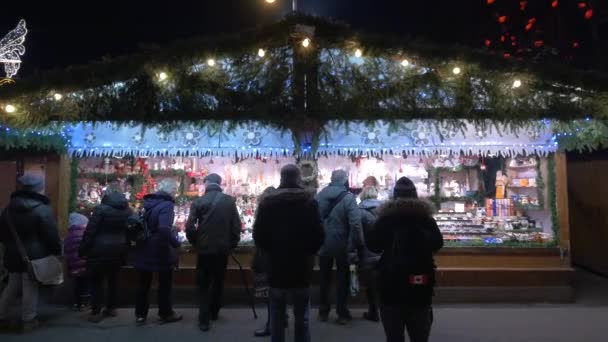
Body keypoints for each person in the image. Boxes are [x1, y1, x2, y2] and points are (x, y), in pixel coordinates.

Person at [253, 164, 325, 342]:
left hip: (276, 265)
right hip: (301, 266)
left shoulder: (268, 203)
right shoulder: (309, 202)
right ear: (299, 177)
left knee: (277, 315)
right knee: (302, 316)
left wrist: (270, 251)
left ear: (281, 178)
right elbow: (319, 234)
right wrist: (309, 252)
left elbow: (258, 235)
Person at [368, 177, 444, 342]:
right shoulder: (425, 219)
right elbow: (438, 243)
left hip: (391, 282)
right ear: (415, 195)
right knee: (420, 333)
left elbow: (373, 245)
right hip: (419, 282)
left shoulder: (385, 219)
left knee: (394, 334)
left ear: (394, 195)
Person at [0, 174, 61, 333]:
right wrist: (56, 251)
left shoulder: (8, 209)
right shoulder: (42, 209)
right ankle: (28, 319)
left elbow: (2, 233)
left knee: (12, 285)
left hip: (13, 253)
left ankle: (2, 315)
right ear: (39, 188)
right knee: (30, 286)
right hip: (35, 255)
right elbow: (50, 234)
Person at [185, 173, 241, 332]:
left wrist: (195, 242)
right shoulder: (229, 201)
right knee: (218, 281)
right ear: (220, 183)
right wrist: (232, 244)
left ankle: (203, 319)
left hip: (204, 250)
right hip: (222, 249)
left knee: (203, 283)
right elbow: (236, 226)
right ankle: (214, 312)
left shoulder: (198, 201)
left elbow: (190, 227)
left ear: (207, 183)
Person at [79, 183, 132, 323]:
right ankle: (111, 308)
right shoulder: (127, 210)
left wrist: (83, 249)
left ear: (106, 194)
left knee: (96, 281)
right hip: (118, 250)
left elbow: (90, 231)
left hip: (98, 249)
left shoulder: (100, 209)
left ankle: (96, 311)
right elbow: (131, 229)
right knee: (113, 280)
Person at [315, 169, 363, 325]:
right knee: (343, 277)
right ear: (345, 180)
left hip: (323, 243)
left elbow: (313, 219)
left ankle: (323, 311)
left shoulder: (320, 195)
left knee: (324, 277)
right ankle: (342, 312)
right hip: (342, 245)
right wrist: (356, 243)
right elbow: (355, 224)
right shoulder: (348, 198)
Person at [135, 179, 182, 325]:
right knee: (164, 283)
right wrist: (176, 243)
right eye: (175, 190)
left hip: (145, 247)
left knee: (143, 283)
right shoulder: (167, 205)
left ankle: (140, 315)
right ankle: (165, 313)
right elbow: (163, 229)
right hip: (160, 249)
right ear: (171, 190)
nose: (176, 193)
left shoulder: (149, 203)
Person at [357, 183, 382, 322]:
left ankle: (373, 311)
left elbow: (357, 232)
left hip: (366, 251)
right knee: (382, 281)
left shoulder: (359, 211)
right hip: (383, 251)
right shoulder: (385, 210)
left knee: (370, 283)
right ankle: (383, 309)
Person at [64, 213, 90, 311]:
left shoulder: (69, 235)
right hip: (85, 263)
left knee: (77, 283)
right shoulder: (86, 233)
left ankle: (77, 303)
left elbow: (66, 249)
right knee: (86, 283)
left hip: (74, 265)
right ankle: (85, 302)